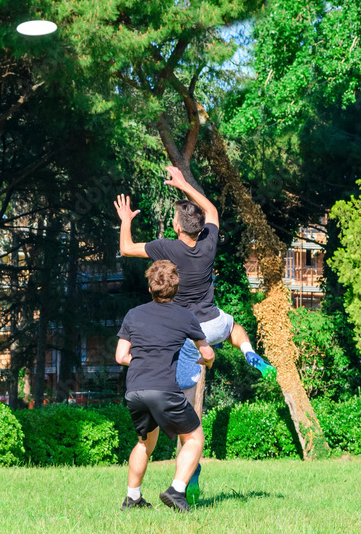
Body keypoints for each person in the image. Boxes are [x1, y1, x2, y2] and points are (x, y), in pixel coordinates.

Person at [114, 165, 276, 505]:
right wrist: (185, 184)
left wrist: (126, 218)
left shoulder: (166, 249)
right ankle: (248, 351)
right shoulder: (207, 245)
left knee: (183, 418)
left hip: (182, 334)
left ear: (175, 227)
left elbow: (127, 248)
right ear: (201, 228)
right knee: (234, 327)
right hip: (211, 324)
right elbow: (213, 211)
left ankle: (177, 483)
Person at [116, 260, 214, 512]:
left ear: (150, 288)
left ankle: (133, 498)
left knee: (143, 442)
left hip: (135, 390)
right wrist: (206, 360)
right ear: (176, 289)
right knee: (194, 437)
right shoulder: (185, 316)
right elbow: (208, 352)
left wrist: (141, 361)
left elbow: (120, 356)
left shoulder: (133, 314)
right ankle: (177, 491)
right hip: (164, 390)